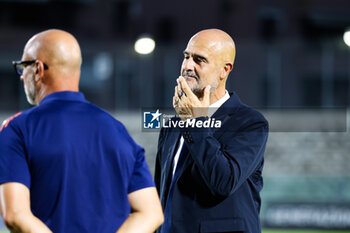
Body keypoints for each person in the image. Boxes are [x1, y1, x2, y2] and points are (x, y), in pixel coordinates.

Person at [0, 29, 163, 233]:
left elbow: (15, 215)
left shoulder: (17, 129)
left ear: (38, 69)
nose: (22, 77)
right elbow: (151, 213)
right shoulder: (117, 130)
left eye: (23, 67)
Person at [155, 29, 269, 233]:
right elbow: (163, 194)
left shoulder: (250, 123)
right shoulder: (172, 125)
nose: (188, 66)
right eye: (186, 57)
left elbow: (223, 182)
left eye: (199, 60)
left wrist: (195, 121)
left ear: (224, 70)